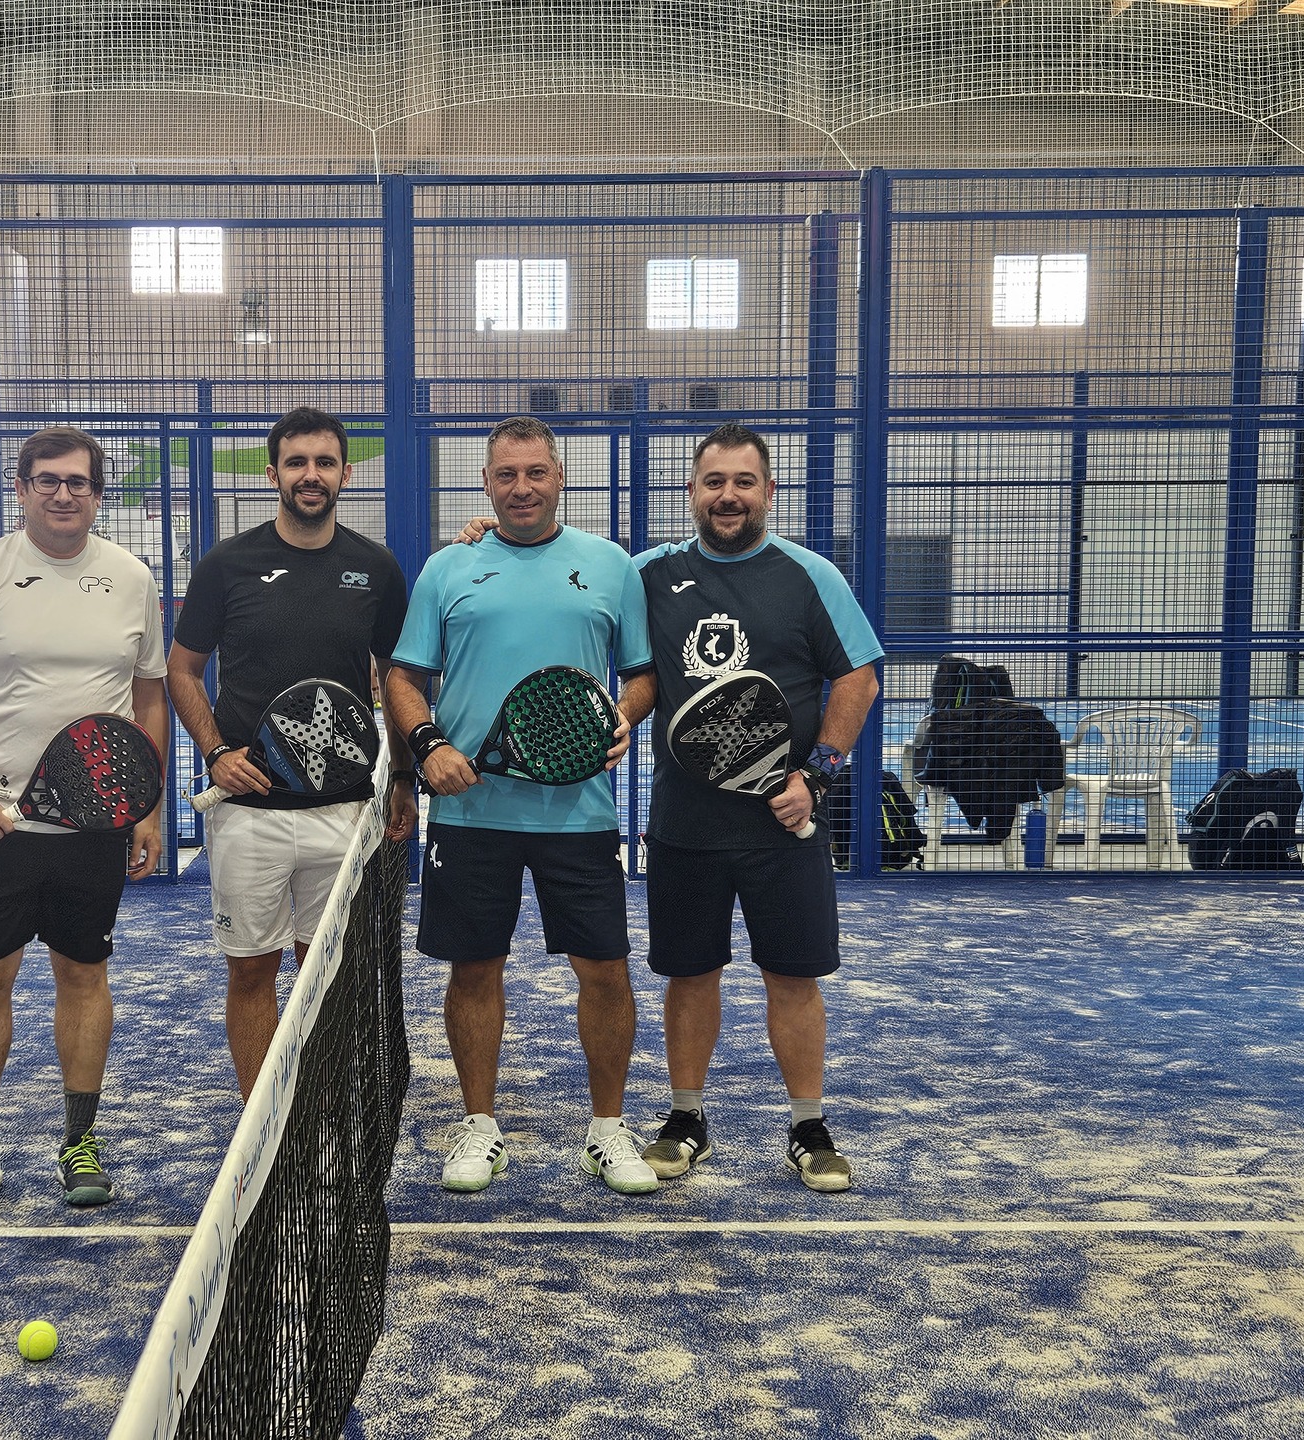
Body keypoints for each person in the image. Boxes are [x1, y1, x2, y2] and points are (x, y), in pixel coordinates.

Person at [384, 415, 660, 1197]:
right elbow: (403, 676)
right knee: (475, 969)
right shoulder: (449, 567)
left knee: (604, 970)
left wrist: (623, 716)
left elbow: (642, 674)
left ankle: (607, 1131)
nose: (522, 487)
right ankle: (480, 1126)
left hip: (580, 813)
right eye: (506, 475)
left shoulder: (611, 566)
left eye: (536, 472)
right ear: (486, 483)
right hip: (471, 813)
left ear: (559, 477)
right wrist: (429, 745)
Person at [0, 425, 169, 1215]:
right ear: (20, 490)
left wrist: (144, 806)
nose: (62, 494)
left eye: (78, 482)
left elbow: (148, 698)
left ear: (97, 494)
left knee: (84, 975)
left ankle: (80, 1142)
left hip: (94, 832)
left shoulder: (130, 579)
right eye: (46, 480)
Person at [622, 422, 881, 1192]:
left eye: (743, 482)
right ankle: (685, 1120)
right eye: (714, 482)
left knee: (792, 978)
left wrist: (817, 776)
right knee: (689, 975)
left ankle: (809, 1127)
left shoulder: (808, 575)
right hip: (685, 824)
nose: (728, 496)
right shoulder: (647, 574)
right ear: (692, 492)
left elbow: (858, 677)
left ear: (769, 492)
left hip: (783, 826)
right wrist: (481, 537)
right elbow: (568, 585)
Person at [167, 406, 416, 1100]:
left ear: (345, 474)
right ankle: (264, 1123)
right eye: (297, 462)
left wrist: (402, 778)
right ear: (273, 473)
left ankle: (317, 1111)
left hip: (344, 811)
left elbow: (397, 677)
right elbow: (181, 670)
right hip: (249, 809)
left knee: (324, 973)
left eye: (325, 463)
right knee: (251, 970)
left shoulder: (375, 568)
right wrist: (215, 751)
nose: (311, 475)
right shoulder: (227, 565)